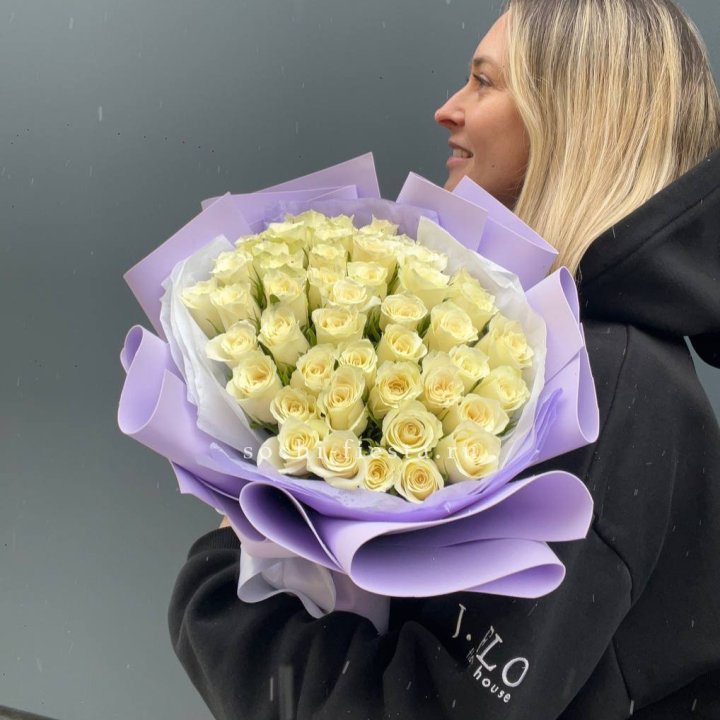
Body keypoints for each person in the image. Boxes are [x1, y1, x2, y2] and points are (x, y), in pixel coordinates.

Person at [167, 1, 720, 717]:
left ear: (571, 119)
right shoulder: (565, 358)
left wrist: (221, 586)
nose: (447, 109)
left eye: (483, 82)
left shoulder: (607, 382)